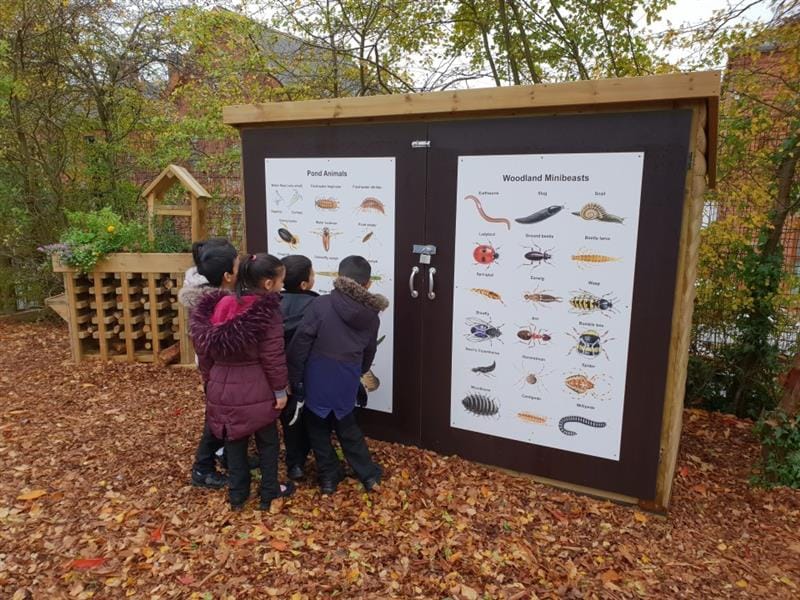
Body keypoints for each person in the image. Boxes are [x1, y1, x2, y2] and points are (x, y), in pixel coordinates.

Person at [190, 253, 295, 511]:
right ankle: (269, 491)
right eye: (281, 280)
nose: (283, 285)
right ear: (268, 284)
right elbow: (273, 356)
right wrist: (280, 389)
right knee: (267, 441)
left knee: (233, 440)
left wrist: (210, 380)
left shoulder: (221, 304)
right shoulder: (266, 313)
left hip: (221, 385)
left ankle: (238, 494)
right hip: (257, 386)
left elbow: (204, 350)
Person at [288, 255, 386, 495]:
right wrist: (359, 371)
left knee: (317, 427)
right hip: (346, 376)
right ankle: (368, 475)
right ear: (368, 284)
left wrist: (294, 376)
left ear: (338, 277)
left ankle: (329, 477)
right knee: (347, 426)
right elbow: (369, 350)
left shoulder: (321, 305)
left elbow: (301, 342)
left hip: (317, 376)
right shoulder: (371, 316)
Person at [178, 238, 238, 490]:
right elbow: (212, 346)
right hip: (215, 370)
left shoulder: (207, 294)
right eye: (237, 266)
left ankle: (225, 455)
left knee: (222, 416)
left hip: (214, 369)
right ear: (226, 275)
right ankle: (202, 469)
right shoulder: (212, 304)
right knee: (216, 419)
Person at [278, 255, 316, 481]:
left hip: (280, 374)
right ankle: (302, 457)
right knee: (308, 416)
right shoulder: (315, 305)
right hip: (306, 372)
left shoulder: (273, 303)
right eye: (312, 274)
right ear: (304, 284)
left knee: (288, 418)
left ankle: (294, 463)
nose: (314, 277)